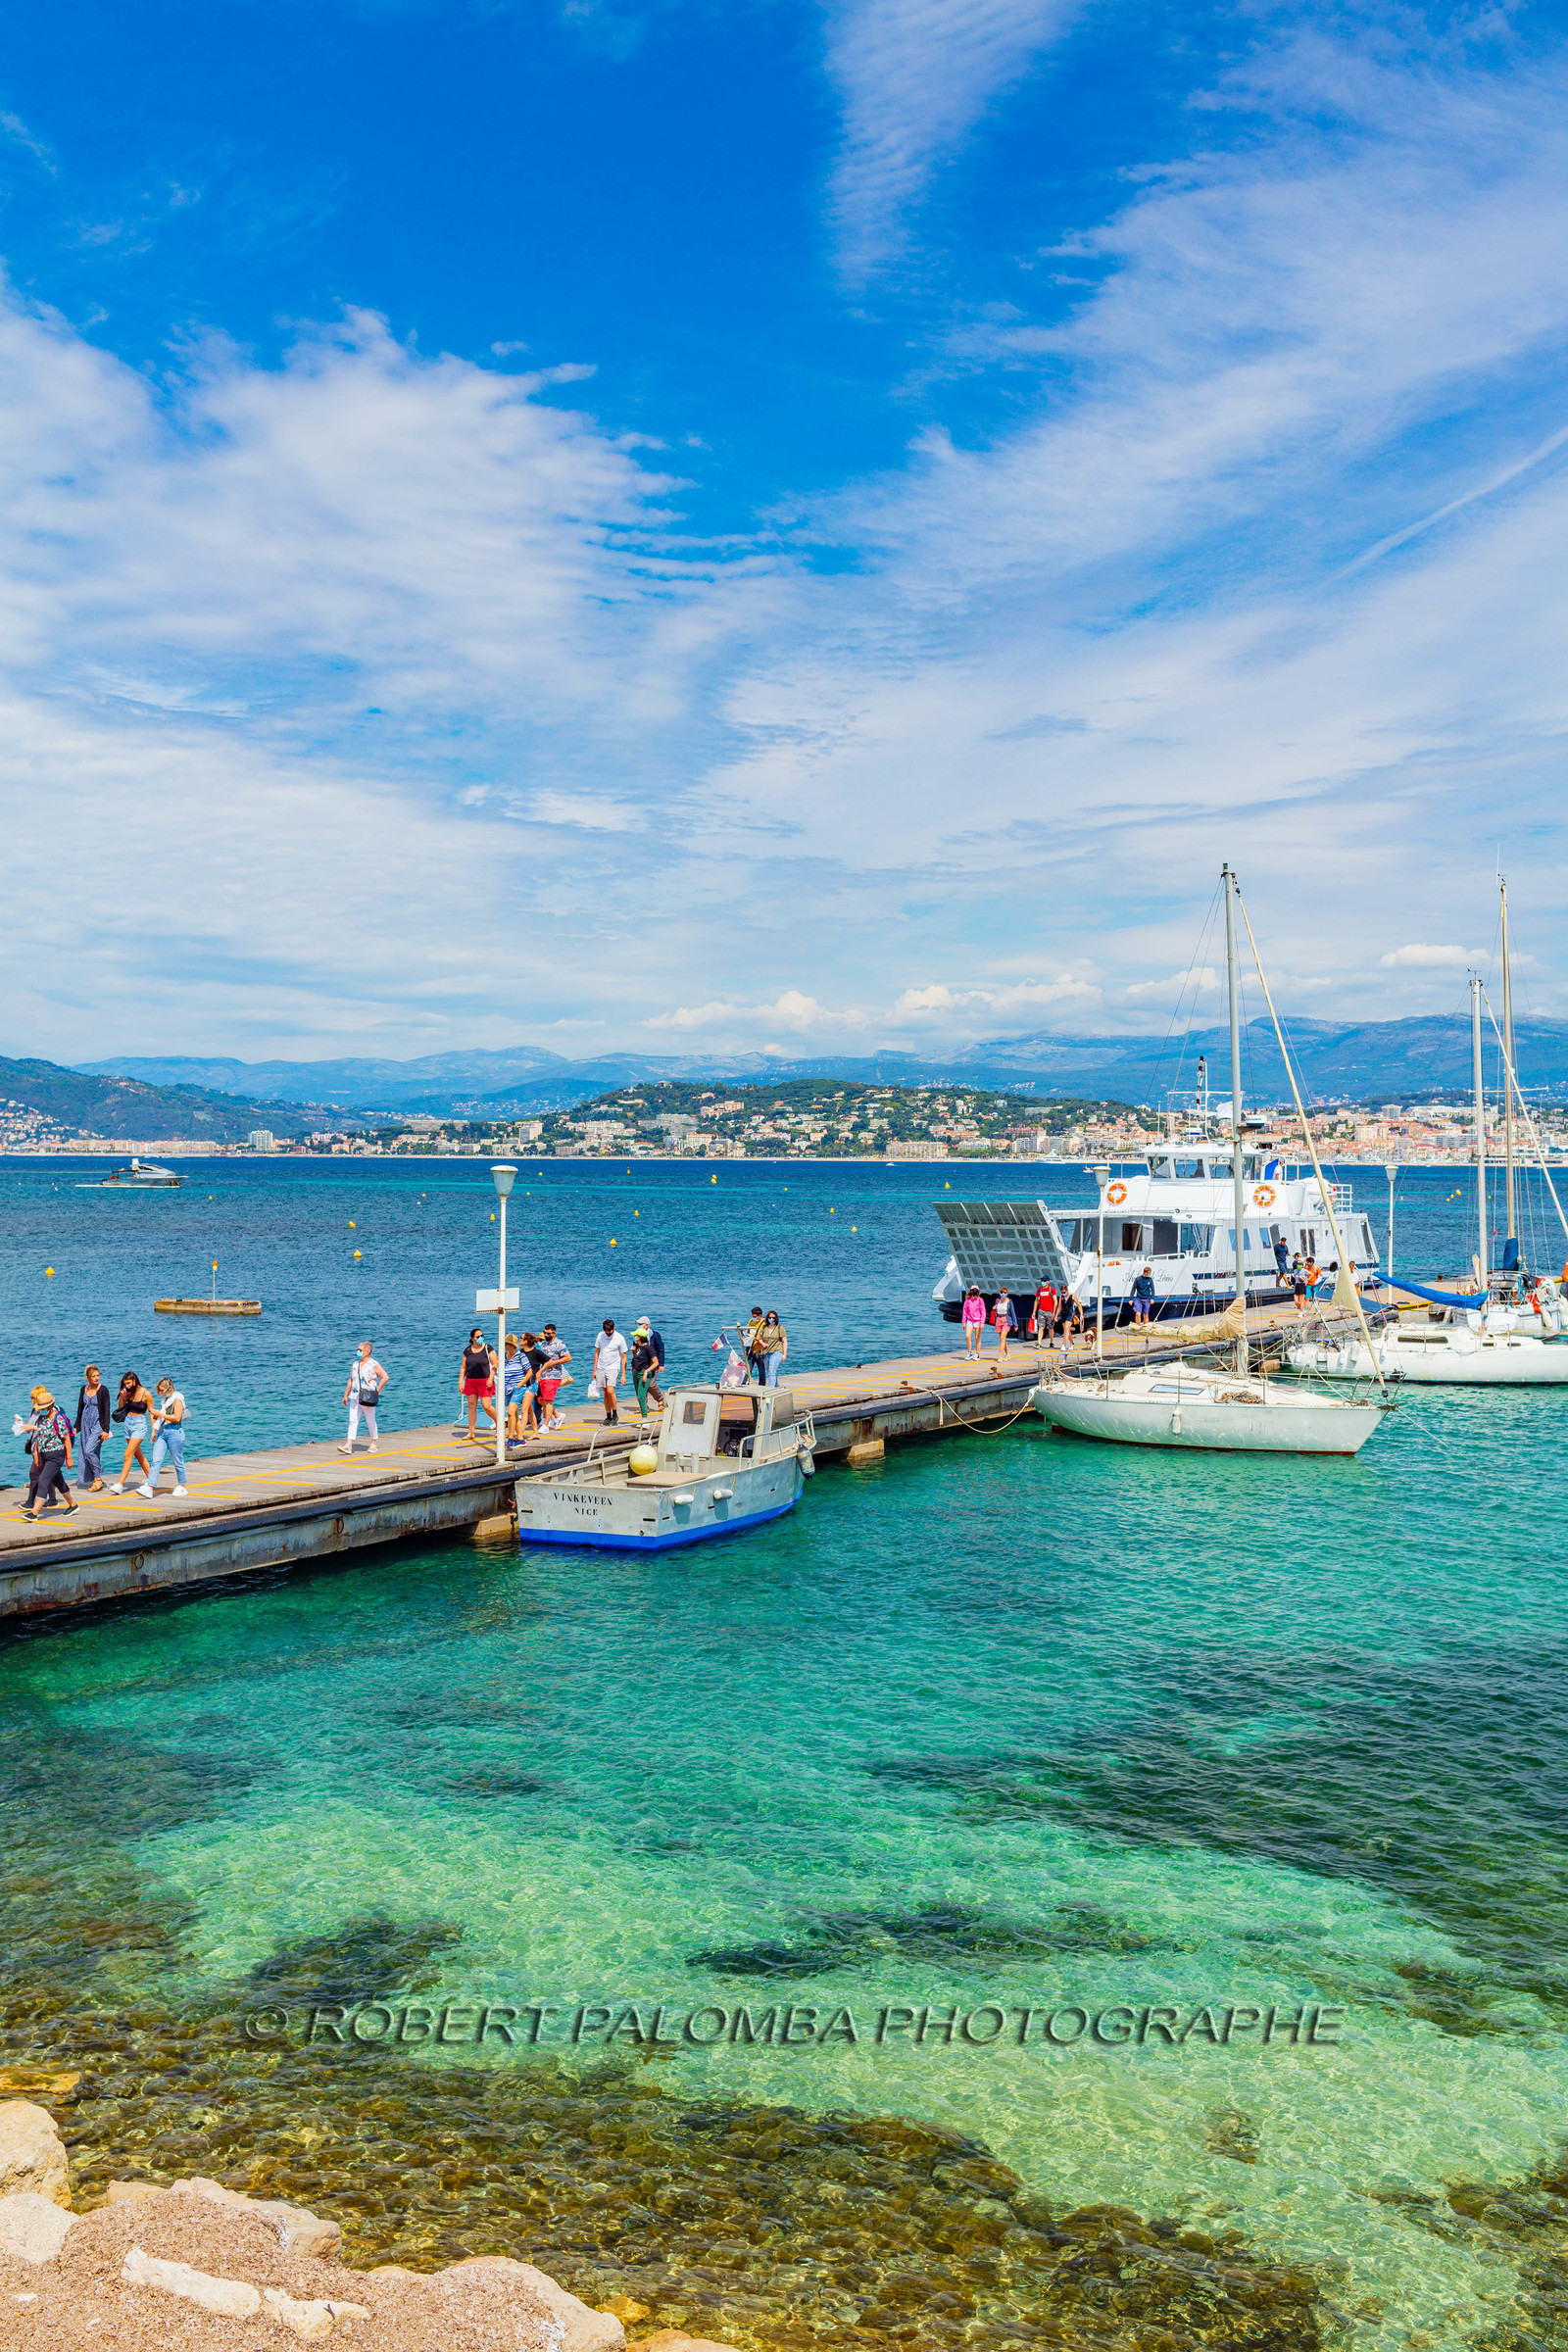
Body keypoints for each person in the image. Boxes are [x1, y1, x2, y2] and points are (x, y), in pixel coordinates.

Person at [23, 1387, 76, 1518]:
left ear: (50, 1406)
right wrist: (36, 1454)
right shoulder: (41, 1419)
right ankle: (73, 1505)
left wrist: (69, 1458)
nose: (42, 1410)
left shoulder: (58, 1418)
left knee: (43, 1480)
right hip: (44, 1455)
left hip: (56, 1455)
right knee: (59, 1482)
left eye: (44, 1407)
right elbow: (39, 1437)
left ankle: (34, 1513)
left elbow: (66, 1439)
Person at [339, 1341, 388, 1454]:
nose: (358, 1352)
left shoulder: (373, 1364)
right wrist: (345, 1395)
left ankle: (374, 1442)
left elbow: (385, 1377)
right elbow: (351, 1380)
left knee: (370, 1420)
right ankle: (349, 1445)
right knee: (352, 1420)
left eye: (360, 1350)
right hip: (355, 1396)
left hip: (368, 1397)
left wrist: (377, 1390)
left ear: (366, 1352)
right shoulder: (355, 1364)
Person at [141, 1378, 188, 1497]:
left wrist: (160, 1414)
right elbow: (164, 1416)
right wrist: (156, 1424)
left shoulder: (177, 1399)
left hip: (174, 1431)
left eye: (162, 1390)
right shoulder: (165, 1400)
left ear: (169, 1388)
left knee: (177, 1460)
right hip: (162, 1431)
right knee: (156, 1460)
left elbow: (177, 1418)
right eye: (159, 1390)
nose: (160, 1393)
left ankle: (182, 1486)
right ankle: (150, 1487)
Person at [110, 1371, 155, 1494]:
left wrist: (153, 1429)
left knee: (127, 1455)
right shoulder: (128, 1392)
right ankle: (151, 1480)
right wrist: (123, 1396)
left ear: (134, 1381)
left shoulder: (146, 1393)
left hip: (139, 1425)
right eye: (125, 1384)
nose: (127, 1386)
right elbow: (121, 1407)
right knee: (138, 1455)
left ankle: (120, 1485)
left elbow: (151, 1413)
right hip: (128, 1423)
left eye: (129, 1383)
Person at [75, 1364, 110, 1494]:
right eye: (93, 1376)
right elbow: (80, 1408)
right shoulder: (83, 1389)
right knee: (85, 1452)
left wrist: (106, 1429)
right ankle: (96, 1479)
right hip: (85, 1423)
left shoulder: (103, 1390)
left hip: (98, 1424)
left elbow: (106, 1410)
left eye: (98, 1375)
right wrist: (76, 1426)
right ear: (88, 1378)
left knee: (89, 1450)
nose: (96, 1378)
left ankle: (98, 1476)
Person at [459, 1328, 497, 1442]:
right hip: (471, 1381)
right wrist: (461, 1382)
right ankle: (471, 1432)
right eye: (478, 1336)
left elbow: (495, 1364)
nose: (480, 1338)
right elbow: (463, 1367)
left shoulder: (488, 1348)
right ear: (472, 1338)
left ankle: (499, 1424)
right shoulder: (467, 1350)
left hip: (485, 1380)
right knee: (471, 1405)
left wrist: (490, 1378)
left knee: (486, 1406)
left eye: (482, 1336)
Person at [536, 1325, 570, 1431]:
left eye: (548, 1333)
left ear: (554, 1333)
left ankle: (546, 1425)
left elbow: (568, 1358)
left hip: (553, 1375)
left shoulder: (559, 1344)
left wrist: (554, 1362)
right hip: (542, 1375)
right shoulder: (543, 1344)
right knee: (541, 1400)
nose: (546, 1335)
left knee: (548, 1400)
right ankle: (557, 1415)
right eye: (545, 1333)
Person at [593, 1318, 628, 1422]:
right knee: (605, 1392)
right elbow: (597, 1352)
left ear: (614, 1328)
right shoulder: (600, 1336)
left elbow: (624, 1357)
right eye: (606, 1332)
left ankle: (615, 1414)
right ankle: (608, 1416)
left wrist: (624, 1375)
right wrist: (594, 1370)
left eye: (610, 1331)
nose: (608, 1333)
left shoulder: (619, 1338)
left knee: (610, 1391)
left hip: (613, 1367)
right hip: (601, 1367)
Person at [630, 1317, 666, 1416]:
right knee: (641, 1385)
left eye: (641, 1324)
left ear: (647, 1325)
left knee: (651, 1384)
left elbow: (660, 1349)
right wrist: (633, 1364)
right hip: (640, 1365)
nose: (639, 1326)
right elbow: (636, 1351)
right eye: (639, 1324)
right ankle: (644, 1406)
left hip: (652, 1364)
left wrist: (661, 1364)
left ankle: (660, 1399)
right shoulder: (637, 1335)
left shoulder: (655, 1335)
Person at [757, 1309, 787, 1386]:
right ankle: (776, 1387)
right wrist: (763, 1344)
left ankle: (771, 1389)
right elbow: (759, 1338)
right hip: (766, 1353)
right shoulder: (764, 1328)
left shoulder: (780, 1328)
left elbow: (784, 1341)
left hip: (776, 1351)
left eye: (773, 1317)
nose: (771, 1319)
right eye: (770, 1317)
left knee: (771, 1372)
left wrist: (784, 1354)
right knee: (771, 1371)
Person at [740, 1306, 766, 1386]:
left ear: (760, 1315)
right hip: (750, 1348)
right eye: (752, 1316)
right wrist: (745, 1334)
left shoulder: (764, 1324)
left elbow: (764, 1336)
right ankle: (743, 1383)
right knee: (747, 1368)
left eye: (755, 1316)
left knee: (761, 1370)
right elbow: (747, 1330)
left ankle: (762, 1385)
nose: (753, 1318)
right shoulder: (751, 1321)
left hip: (759, 1349)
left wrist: (755, 1338)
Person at [960, 1285, 986, 1359]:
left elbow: (983, 1311)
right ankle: (969, 1352)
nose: (974, 1292)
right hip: (970, 1320)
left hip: (978, 1321)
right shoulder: (968, 1300)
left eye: (976, 1291)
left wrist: (982, 1322)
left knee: (977, 1338)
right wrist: (963, 1322)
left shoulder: (980, 1300)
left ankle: (977, 1353)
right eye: (973, 1290)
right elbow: (965, 1311)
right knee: (967, 1336)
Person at [992, 1287, 1015, 1359]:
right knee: (1003, 1339)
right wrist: (994, 1308)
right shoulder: (997, 1301)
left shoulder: (1009, 1302)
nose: (1003, 1294)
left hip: (1006, 1320)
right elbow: (995, 1309)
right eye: (1001, 1292)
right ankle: (1007, 1354)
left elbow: (1013, 1313)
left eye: (1004, 1293)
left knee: (1002, 1338)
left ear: (1007, 1293)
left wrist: (1015, 1325)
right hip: (998, 1319)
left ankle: (1000, 1356)